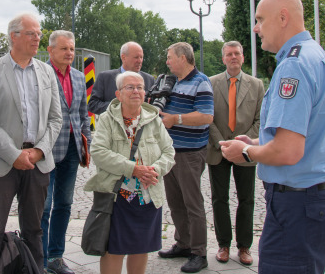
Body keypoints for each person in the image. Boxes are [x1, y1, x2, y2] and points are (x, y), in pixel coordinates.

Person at [220, 0, 325, 274]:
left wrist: (248, 151)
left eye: (261, 19)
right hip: (314, 200)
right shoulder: (316, 56)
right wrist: (259, 140)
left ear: (283, 17)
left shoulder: (294, 66)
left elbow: (288, 151)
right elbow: (306, 133)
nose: (256, 28)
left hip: (298, 204)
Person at [0, 13, 62, 273]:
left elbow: (56, 119)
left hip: (38, 163)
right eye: (31, 33)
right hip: (3, 163)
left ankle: (34, 270)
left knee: (34, 229)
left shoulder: (47, 71)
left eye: (39, 33)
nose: (38, 38)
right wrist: (14, 154)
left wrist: (38, 151)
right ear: (13, 36)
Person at [84, 71, 175, 274]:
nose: (136, 91)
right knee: (113, 250)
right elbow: (98, 152)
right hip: (117, 198)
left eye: (140, 87)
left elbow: (169, 151)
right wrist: (132, 168)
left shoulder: (153, 119)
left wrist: (155, 170)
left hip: (148, 197)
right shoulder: (107, 119)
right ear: (118, 94)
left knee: (141, 249)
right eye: (130, 87)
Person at [157, 42, 214, 274]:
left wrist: (175, 119)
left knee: (193, 204)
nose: (168, 61)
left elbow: (206, 116)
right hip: (171, 153)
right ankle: (183, 243)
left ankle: (199, 253)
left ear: (183, 57)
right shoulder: (173, 82)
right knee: (175, 202)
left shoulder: (201, 82)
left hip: (190, 154)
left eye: (170, 57)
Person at [206, 41, 263, 266]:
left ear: (243, 57)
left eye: (237, 53)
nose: (233, 57)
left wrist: (243, 144)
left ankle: (244, 246)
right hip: (218, 149)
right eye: (229, 54)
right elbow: (207, 116)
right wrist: (222, 143)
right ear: (223, 58)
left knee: (246, 199)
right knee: (219, 199)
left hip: (246, 150)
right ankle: (223, 244)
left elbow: (260, 119)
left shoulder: (256, 85)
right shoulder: (210, 83)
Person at [41, 30, 91, 274]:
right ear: (50, 50)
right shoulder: (39, 74)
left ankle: (56, 257)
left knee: (64, 204)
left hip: (72, 148)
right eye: (64, 49)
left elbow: (83, 114)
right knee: (44, 206)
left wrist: (87, 143)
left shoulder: (80, 77)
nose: (69, 53)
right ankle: (38, 259)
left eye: (71, 49)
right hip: (46, 149)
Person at [88, 42, 155, 115]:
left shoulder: (149, 80)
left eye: (141, 57)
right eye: (136, 57)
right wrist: (119, 108)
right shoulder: (105, 78)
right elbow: (93, 105)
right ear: (123, 57)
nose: (139, 61)